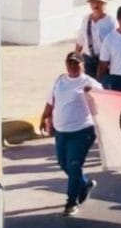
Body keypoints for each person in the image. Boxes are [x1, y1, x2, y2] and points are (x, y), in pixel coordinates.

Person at [40, 52, 101, 217]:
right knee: (63, 164)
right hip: (61, 131)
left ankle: (71, 202)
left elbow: (104, 99)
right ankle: (84, 184)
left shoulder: (89, 82)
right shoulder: (59, 80)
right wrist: (44, 117)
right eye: (70, 63)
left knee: (74, 166)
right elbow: (50, 101)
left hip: (82, 131)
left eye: (76, 64)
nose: (73, 67)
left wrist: (92, 93)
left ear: (82, 65)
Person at [74, 0, 113, 79]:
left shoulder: (110, 20)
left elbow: (116, 40)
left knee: (104, 84)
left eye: (99, 2)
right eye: (93, 2)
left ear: (104, 4)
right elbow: (80, 40)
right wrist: (76, 58)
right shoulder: (86, 19)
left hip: (104, 60)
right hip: (89, 60)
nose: (95, 5)